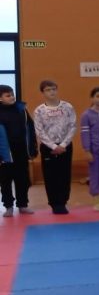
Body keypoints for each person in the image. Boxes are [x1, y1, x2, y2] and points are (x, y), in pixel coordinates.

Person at [33, 80, 76, 215]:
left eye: (53, 89)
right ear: (43, 92)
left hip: (65, 145)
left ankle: (63, 201)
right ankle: (54, 203)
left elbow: (72, 126)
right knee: (51, 175)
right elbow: (39, 131)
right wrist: (52, 146)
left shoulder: (67, 107)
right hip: (48, 147)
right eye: (48, 90)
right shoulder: (39, 110)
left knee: (64, 174)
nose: (51, 92)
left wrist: (63, 144)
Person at [0, 84, 37, 217]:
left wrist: (32, 148)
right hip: (5, 154)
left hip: (21, 151)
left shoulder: (21, 110)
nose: (12, 97)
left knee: (22, 180)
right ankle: (8, 206)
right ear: (0, 98)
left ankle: (23, 204)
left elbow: (30, 129)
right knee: (5, 182)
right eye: (8, 95)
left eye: (12, 94)